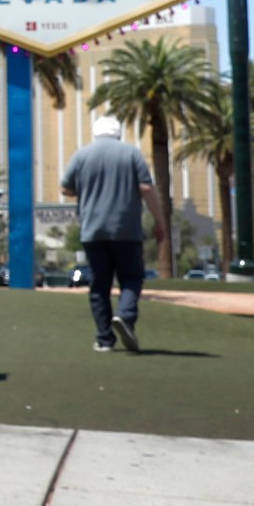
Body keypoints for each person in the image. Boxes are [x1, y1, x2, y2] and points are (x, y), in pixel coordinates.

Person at [62, 117, 168, 353]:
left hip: (92, 230)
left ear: (96, 132)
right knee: (131, 277)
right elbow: (147, 188)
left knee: (99, 284)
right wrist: (160, 222)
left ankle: (104, 339)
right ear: (118, 133)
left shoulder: (81, 155)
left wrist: (88, 188)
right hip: (126, 230)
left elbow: (65, 187)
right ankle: (125, 316)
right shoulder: (132, 154)